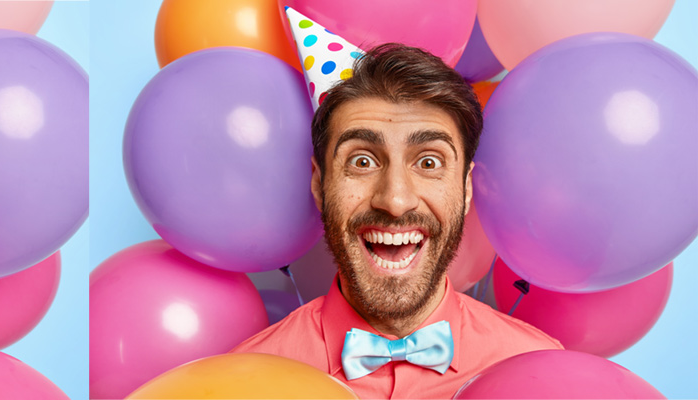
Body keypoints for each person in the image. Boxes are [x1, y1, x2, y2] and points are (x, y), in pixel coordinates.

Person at [231, 44, 562, 399]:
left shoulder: (545, 374)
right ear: (319, 184)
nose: (395, 201)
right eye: (361, 161)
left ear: (465, 190)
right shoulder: (241, 383)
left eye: (429, 163)